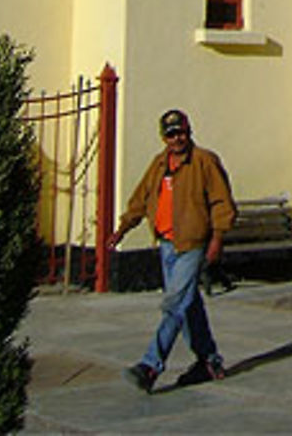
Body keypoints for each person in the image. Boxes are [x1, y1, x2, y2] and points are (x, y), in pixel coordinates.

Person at [107, 108, 236, 392]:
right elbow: (141, 199)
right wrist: (123, 228)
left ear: (189, 131)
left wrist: (217, 239)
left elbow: (221, 203)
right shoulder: (159, 165)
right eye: (171, 134)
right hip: (167, 245)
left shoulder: (204, 162)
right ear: (164, 138)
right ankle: (209, 361)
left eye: (181, 132)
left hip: (192, 245)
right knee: (188, 305)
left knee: (174, 305)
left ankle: (151, 365)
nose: (177, 139)